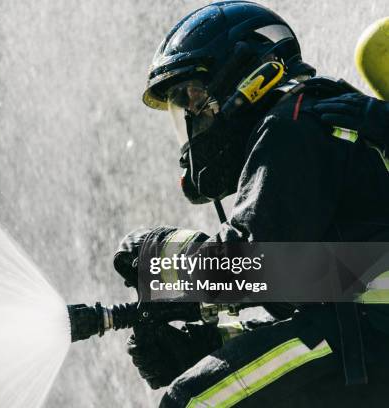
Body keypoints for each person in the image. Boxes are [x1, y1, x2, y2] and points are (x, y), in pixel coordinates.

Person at [112, 2, 389, 407]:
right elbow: (311, 281)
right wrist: (212, 341)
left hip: (372, 341)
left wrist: (159, 261)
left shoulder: (294, 122)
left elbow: (251, 260)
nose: (191, 118)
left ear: (251, 75)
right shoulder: (324, 117)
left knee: (193, 402)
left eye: (193, 95)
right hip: (369, 340)